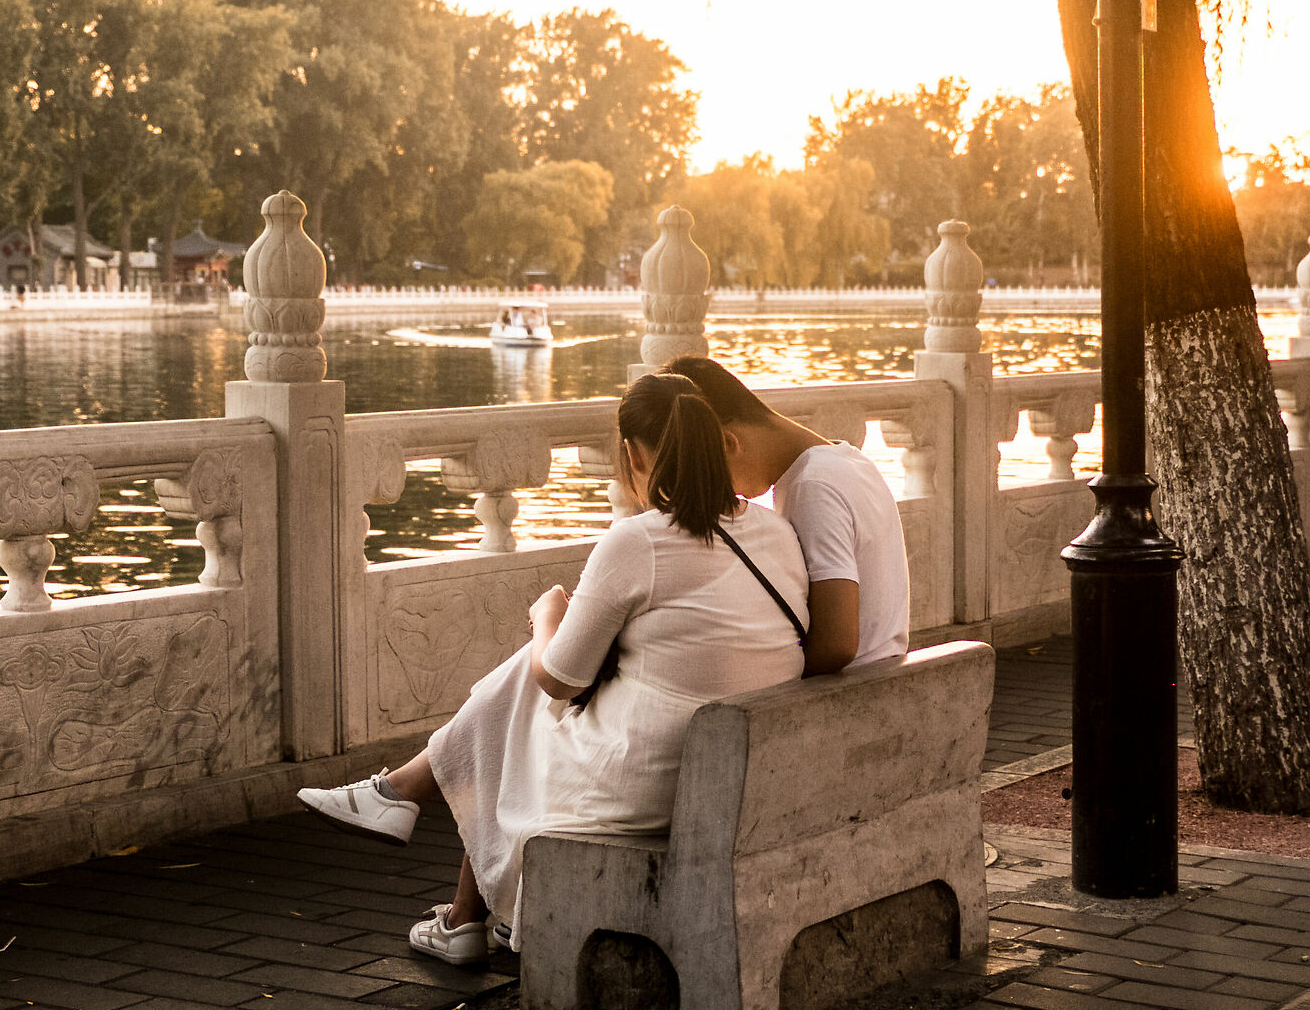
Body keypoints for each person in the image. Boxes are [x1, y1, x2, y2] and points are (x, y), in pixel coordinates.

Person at [295, 374, 810, 966]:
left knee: (520, 698)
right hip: (736, 774)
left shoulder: (638, 541)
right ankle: (431, 856)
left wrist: (547, 613)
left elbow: (560, 679)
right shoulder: (776, 533)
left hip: (650, 785)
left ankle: (412, 814)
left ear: (635, 455)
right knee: (519, 698)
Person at [662, 355, 910, 674]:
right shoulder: (846, 458)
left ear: (727, 442)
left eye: (704, 467)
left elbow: (838, 645)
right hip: (882, 674)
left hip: (846, 692)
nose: (720, 493)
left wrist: (754, 675)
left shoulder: (813, 485)